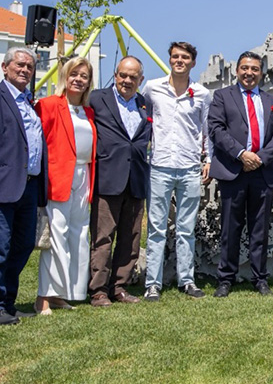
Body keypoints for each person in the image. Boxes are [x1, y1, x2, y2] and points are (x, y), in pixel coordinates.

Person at [209, 52, 273, 297]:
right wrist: (242, 154)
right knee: (230, 229)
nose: (249, 73)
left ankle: (260, 279)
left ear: (261, 73)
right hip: (233, 170)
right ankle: (225, 279)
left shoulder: (272, 100)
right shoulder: (222, 97)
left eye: (254, 69)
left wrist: (259, 157)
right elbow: (216, 130)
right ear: (237, 70)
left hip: (262, 173)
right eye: (244, 68)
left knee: (259, 229)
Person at [142, 42, 211, 301]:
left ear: (193, 62)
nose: (179, 61)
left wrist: (209, 160)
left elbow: (207, 131)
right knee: (156, 228)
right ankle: (152, 284)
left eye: (184, 57)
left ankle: (187, 281)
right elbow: (144, 122)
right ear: (169, 60)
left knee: (186, 228)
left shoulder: (202, 94)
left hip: (190, 166)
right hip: (159, 166)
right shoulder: (152, 88)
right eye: (175, 57)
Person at [33, 57, 97, 314]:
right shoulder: (48, 105)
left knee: (78, 235)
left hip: (83, 177)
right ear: (65, 76)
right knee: (56, 236)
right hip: (59, 178)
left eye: (84, 75)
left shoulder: (87, 111)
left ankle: (64, 292)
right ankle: (44, 296)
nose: (79, 79)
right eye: (75, 74)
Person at [88, 56, 152, 307]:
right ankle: (98, 290)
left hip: (136, 179)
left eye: (133, 77)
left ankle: (120, 286)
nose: (127, 80)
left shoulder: (144, 104)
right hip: (108, 177)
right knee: (103, 237)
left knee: (131, 237)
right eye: (123, 75)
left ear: (140, 80)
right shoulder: (97, 98)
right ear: (115, 75)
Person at [0, 47, 45, 325]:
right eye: (20, 64)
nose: (25, 70)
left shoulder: (28, 101)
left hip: (29, 186)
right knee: (1, 248)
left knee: (23, 245)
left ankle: (8, 303)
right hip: (5, 185)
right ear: (5, 67)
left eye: (29, 66)